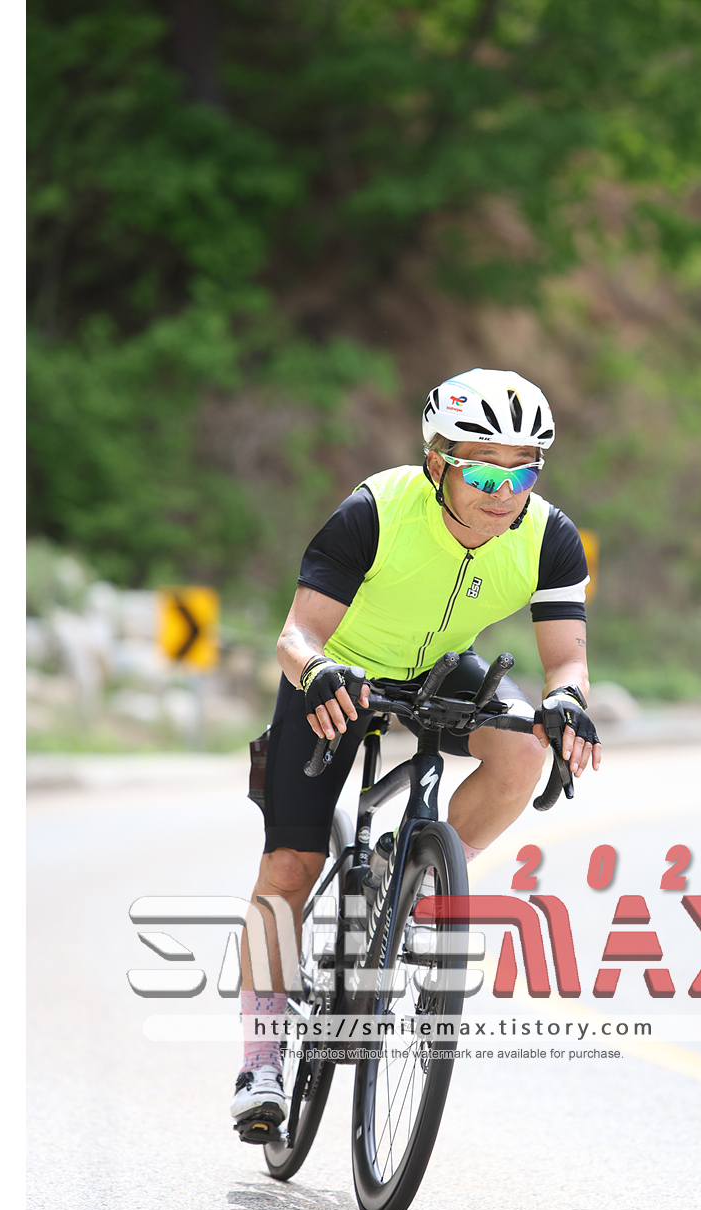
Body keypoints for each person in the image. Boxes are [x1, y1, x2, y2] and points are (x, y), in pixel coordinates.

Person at [230, 367, 603, 1140]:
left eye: (523, 473)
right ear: (438, 461)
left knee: (522, 750)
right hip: (339, 674)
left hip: (440, 669)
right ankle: (260, 1058)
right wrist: (319, 670)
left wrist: (567, 700)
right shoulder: (374, 512)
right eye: (484, 473)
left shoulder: (550, 537)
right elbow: (295, 637)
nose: (504, 493)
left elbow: (566, 660)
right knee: (291, 865)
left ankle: (412, 878)